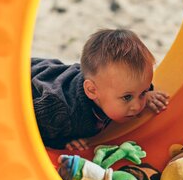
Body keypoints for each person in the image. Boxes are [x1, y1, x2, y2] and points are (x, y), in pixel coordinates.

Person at [31, 29, 169, 151]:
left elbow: (137, 84)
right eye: (127, 97)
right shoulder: (59, 111)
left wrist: (148, 92)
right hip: (23, 79)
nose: (138, 105)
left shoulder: (110, 85)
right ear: (91, 91)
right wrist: (64, 142)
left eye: (142, 93)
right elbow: (29, 128)